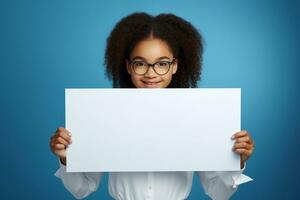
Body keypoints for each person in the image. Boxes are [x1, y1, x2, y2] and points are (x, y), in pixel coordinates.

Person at [50, 12, 254, 200]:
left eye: (162, 63)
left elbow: (219, 192)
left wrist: (237, 162)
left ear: (174, 66)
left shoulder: (197, 115)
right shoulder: (105, 114)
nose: (151, 73)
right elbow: (82, 189)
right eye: (140, 63)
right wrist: (67, 159)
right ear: (129, 66)